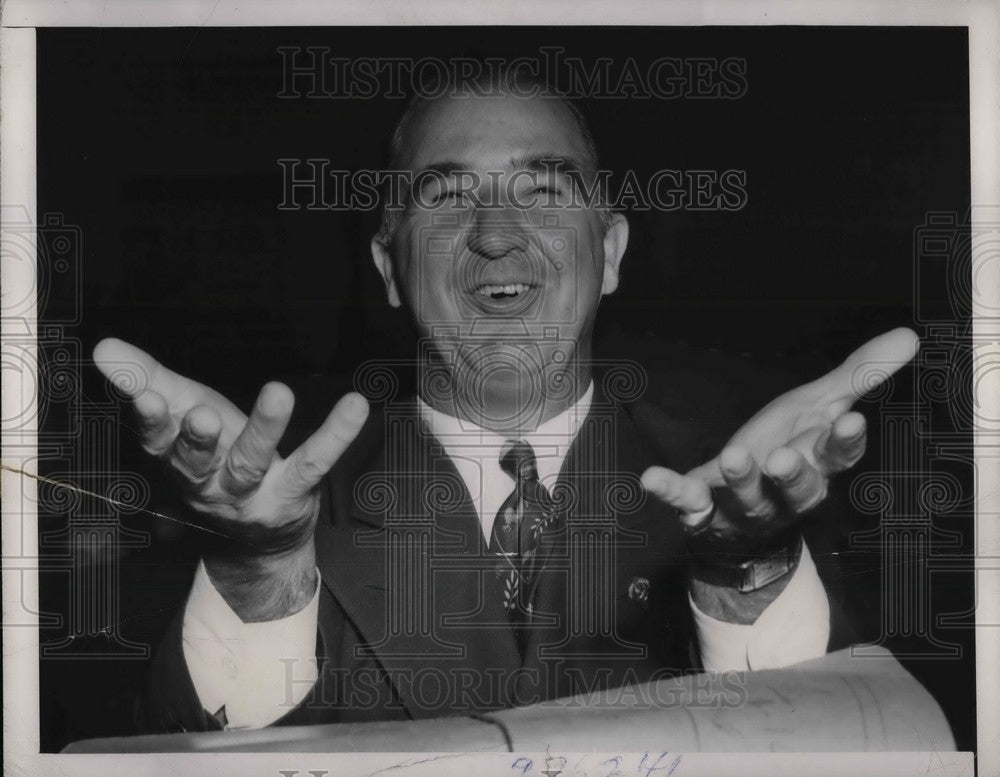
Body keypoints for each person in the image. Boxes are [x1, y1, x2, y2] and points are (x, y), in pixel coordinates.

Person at [93, 69, 918, 733]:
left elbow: (842, 744)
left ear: (612, 252)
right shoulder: (272, 504)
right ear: (388, 266)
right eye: (446, 198)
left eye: (545, 192)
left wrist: (746, 569)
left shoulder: (747, 495)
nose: (496, 232)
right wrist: (258, 568)